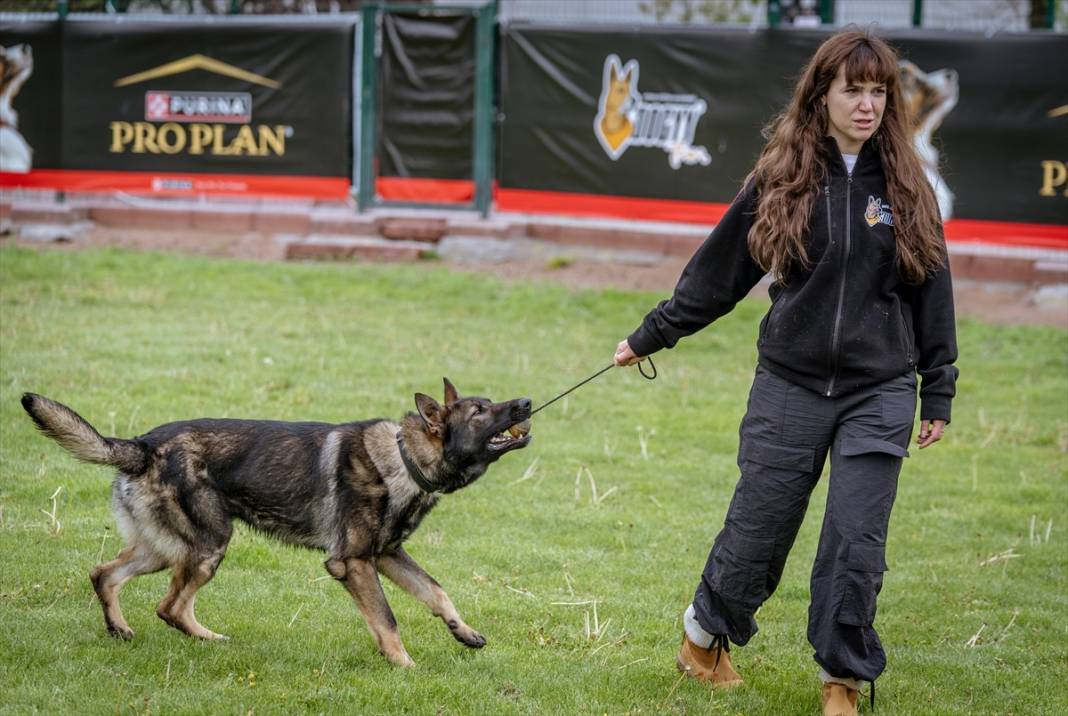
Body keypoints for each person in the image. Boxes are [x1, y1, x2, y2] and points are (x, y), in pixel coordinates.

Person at [613, 30, 957, 716]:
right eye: (851, 90)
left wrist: (937, 388)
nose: (866, 104)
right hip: (790, 383)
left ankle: (842, 683)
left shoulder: (909, 185)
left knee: (855, 541)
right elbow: (721, 272)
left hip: (880, 387)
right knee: (760, 528)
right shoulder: (782, 176)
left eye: (877, 91)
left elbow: (932, 290)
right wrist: (654, 334)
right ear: (821, 94)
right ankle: (702, 640)